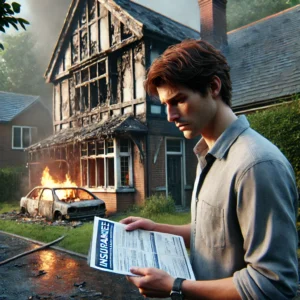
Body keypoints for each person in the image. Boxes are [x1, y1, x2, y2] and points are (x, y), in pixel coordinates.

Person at [120, 39, 299, 299]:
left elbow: (273, 283)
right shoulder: (207, 154)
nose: (170, 116)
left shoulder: (257, 165)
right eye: (165, 104)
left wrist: (176, 286)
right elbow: (213, 235)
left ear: (213, 87)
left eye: (178, 100)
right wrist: (156, 228)